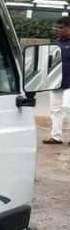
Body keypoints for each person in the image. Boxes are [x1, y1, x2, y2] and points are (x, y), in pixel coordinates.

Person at [43, 16, 70, 144]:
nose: (58, 30)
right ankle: (56, 137)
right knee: (55, 109)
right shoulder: (56, 42)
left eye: (61, 28)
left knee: (67, 107)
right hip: (56, 82)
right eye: (57, 27)